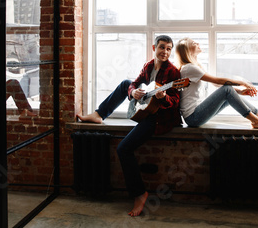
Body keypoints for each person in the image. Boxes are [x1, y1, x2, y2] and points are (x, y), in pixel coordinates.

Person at [76, 35, 181, 217]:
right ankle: (99, 114)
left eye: (169, 49)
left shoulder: (173, 72)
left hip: (158, 118)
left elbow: (175, 101)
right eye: (162, 47)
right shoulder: (149, 65)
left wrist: (164, 98)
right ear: (154, 47)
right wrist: (134, 92)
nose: (165, 52)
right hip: (146, 110)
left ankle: (140, 194)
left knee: (123, 148)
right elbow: (133, 83)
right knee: (126, 83)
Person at [175, 37, 258, 129]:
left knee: (228, 94)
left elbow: (217, 85)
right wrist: (242, 82)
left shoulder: (196, 66)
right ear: (187, 51)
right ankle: (256, 121)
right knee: (227, 90)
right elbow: (217, 80)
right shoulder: (189, 68)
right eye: (194, 43)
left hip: (197, 115)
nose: (198, 43)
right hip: (193, 117)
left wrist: (240, 92)